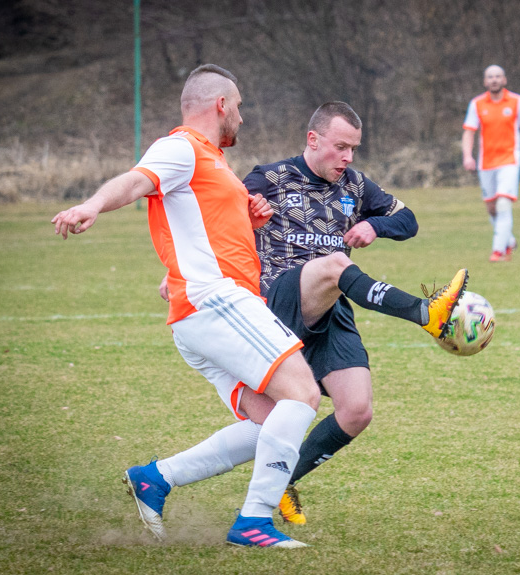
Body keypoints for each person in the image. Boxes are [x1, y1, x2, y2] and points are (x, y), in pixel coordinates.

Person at [160, 101, 469, 525]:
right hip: (277, 300)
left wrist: (375, 226)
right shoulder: (269, 178)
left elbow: (408, 219)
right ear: (313, 139)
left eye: (354, 149)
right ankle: (426, 313)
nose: (348, 158)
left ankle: (282, 481)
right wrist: (180, 272)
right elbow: (212, 222)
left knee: (357, 410)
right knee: (335, 265)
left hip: (332, 305)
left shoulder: (356, 186)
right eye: (340, 147)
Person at [52, 64, 321, 549]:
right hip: (218, 303)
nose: (241, 116)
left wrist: (249, 223)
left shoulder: (214, 163)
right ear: (221, 104)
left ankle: (156, 478)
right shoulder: (181, 148)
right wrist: (92, 205)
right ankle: (254, 522)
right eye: (238, 106)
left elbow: (197, 234)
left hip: (199, 312)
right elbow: (136, 181)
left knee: (270, 420)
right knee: (302, 394)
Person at [462, 65, 520, 262]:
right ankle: (509, 241)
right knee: (492, 209)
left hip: (510, 160)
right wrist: (467, 156)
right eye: (490, 77)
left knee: (503, 203)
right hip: (486, 162)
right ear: (485, 82)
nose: (494, 80)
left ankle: (499, 251)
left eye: (498, 76)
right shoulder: (477, 104)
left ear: (504, 80)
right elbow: (469, 131)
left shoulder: (517, 102)